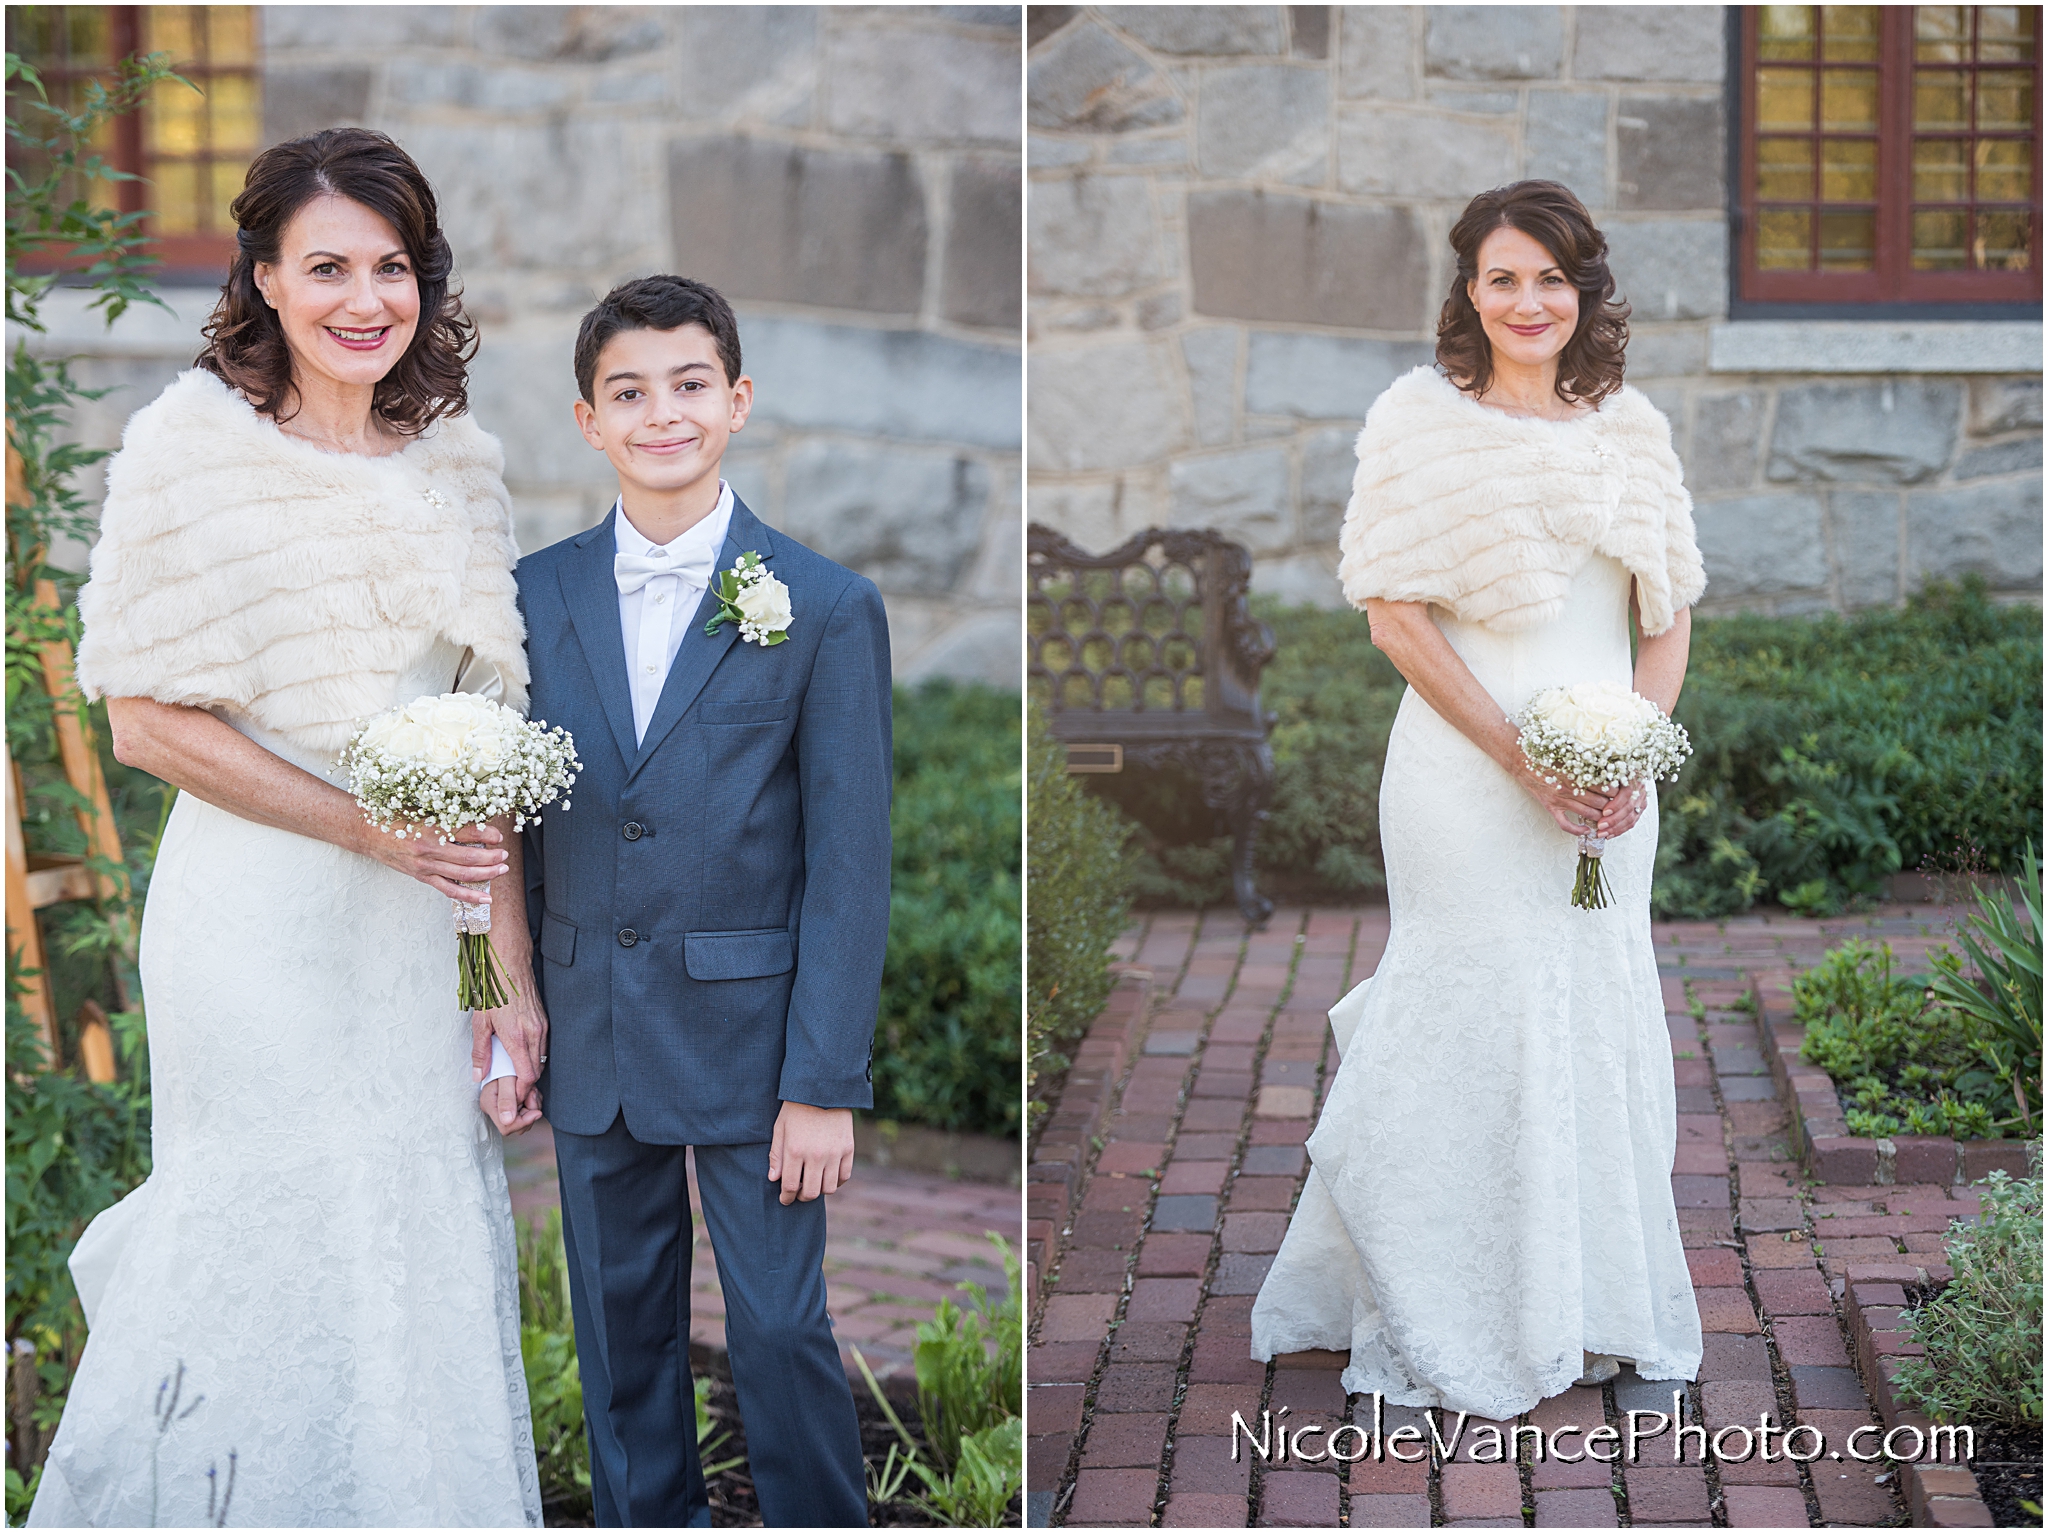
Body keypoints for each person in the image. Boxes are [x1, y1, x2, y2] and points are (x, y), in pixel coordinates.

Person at [31, 129, 543, 1526]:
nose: (363, 300)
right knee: (266, 1216)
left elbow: (476, 758)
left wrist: (500, 983)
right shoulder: (191, 452)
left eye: (392, 266)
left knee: (409, 1224)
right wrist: (369, 828)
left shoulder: (458, 466)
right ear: (263, 276)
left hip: (414, 936)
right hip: (256, 930)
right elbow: (148, 723)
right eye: (326, 266)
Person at [1249, 180, 1707, 1419]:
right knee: (1475, 1005)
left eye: (1549, 278)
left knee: (1589, 1012)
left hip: (1612, 785)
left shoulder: (1631, 432)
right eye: (1501, 277)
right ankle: (1449, 1305)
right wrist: (1521, 757)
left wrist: (1627, 757)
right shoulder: (1419, 423)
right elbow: (1393, 618)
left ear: (1584, 291)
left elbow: (1661, 623)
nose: (1527, 301)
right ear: (1467, 290)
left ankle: (1589, 1301)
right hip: (1464, 772)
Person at [486, 275, 890, 1527]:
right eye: (629, 392)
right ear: (586, 420)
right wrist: (510, 1002)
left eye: (689, 384)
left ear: (737, 400)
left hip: (756, 1044)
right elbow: (500, 816)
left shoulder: (821, 605)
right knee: (620, 1342)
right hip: (591, 1023)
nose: (662, 413)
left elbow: (849, 862)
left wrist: (823, 1081)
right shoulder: (531, 595)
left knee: (774, 1332)